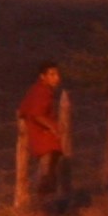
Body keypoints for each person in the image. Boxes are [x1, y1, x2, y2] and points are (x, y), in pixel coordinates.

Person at [17, 64, 71, 203]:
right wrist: (52, 128)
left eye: (57, 75)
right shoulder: (41, 91)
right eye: (52, 75)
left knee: (50, 168)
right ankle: (41, 203)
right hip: (43, 137)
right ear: (43, 76)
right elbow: (36, 114)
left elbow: (24, 110)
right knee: (46, 170)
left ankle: (47, 202)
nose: (56, 78)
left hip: (44, 137)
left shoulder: (42, 91)